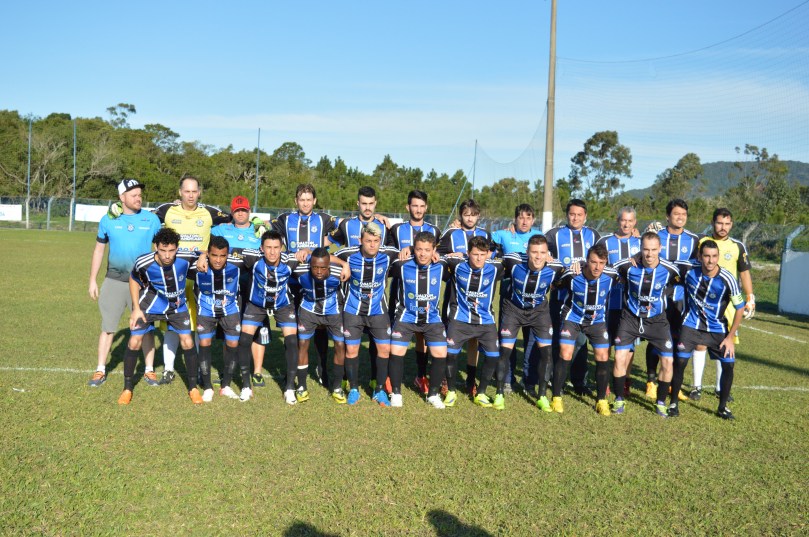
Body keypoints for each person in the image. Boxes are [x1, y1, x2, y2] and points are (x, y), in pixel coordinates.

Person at [152, 175, 231, 385]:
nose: (190, 195)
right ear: (180, 192)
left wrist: (258, 222)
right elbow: (145, 216)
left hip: (198, 276)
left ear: (199, 192)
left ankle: (194, 367)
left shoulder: (209, 212)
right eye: (187, 191)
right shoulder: (167, 210)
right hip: (172, 276)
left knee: (198, 323)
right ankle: (168, 370)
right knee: (170, 324)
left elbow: (234, 218)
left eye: (194, 191)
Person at [88, 179, 161, 388]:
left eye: (140, 194)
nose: (138, 198)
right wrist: (92, 279)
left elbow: (160, 251)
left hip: (143, 284)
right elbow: (98, 250)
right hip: (114, 280)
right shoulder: (108, 219)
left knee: (146, 328)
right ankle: (100, 369)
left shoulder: (152, 220)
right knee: (108, 327)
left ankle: (149, 370)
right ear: (122, 198)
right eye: (133, 195)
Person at [119, 228, 201, 405]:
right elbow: (134, 279)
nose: (167, 255)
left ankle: (193, 388)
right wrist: (136, 308)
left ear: (177, 248)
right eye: (163, 250)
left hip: (176, 306)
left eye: (171, 251)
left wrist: (202, 256)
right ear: (156, 247)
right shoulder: (144, 261)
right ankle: (127, 388)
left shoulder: (185, 258)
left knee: (187, 341)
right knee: (134, 341)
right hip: (150, 304)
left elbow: (203, 253)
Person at [271, 183, 336, 388]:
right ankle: (292, 370)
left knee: (320, 328)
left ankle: (322, 367)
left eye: (309, 199)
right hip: (292, 281)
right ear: (296, 201)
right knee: (293, 329)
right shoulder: (284, 219)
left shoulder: (324, 219)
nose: (305, 203)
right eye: (302, 199)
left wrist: (379, 218)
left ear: (314, 201)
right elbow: (272, 240)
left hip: (316, 280)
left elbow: (345, 229)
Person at [672, 240, 746, 419]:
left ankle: (722, 407)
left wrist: (730, 337)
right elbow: (664, 263)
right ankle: (673, 403)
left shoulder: (728, 278)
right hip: (691, 326)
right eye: (706, 256)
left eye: (714, 256)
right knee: (680, 362)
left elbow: (740, 308)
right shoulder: (689, 270)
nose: (710, 261)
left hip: (717, 329)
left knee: (729, 364)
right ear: (700, 257)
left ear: (718, 257)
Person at [611, 232, 681, 417]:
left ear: (660, 249)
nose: (649, 254)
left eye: (653, 250)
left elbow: (692, 273)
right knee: (619, 357)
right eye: (645, 250)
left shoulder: (670, 269)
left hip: (657, 320)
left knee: (668, 361)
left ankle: (660, 402)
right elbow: (604, 267)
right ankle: (619, 399)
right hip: (630, 318)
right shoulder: (628, 265)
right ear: (640, 249)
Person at [228, 230, 302, 403]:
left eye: (276, 247)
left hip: (283, 305)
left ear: (282, 248)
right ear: (261, 248)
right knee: (244, 340)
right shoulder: (252, 257)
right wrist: (203, 256)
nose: (272, 252)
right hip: (256, 305)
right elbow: (223, 249)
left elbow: (318, 256)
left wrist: (305, 251)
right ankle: (246, 386)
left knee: (292, 342)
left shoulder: (291, 259)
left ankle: (290, 388)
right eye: (268, 247)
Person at [690, 207, 755, 401]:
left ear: (732, 225)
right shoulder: (701, 242)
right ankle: (696, 387)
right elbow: (693, 267)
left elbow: (744, 273)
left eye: (727, 224)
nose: (723, 227)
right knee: (700, 343)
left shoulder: (738, 246)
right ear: (712, 223)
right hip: (702, 302)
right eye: (719, 223)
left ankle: (720, 388)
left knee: (725, 344)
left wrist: (750, 296)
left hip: (727, 306)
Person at [327, 186, 389, 389]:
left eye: (371, 204)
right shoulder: (346, 225)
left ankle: (376, 379)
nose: (368, 207)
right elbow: (327, 242)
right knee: (351, 345)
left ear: (376, 204)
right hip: (352, 296)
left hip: (377, 298)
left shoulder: (383, 225)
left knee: (376, 342)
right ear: (358, 204)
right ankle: (348, 379)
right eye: (364, 203)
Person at [336, 223, 400, 406]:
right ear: (360, 240)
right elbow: (325, 256)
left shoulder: (388, 254)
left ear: (380, 241)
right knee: (352, 350)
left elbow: (410, 251)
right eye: (368, 241)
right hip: (353, 311)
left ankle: (379, 390)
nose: (372, 245)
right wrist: (343, 264)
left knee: (384, 349)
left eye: (376, 241)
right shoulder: (348, 254)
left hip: (378, 311)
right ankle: (354, 388)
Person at [498, 235, 564, 412]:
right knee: (505, 351)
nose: (538, 257)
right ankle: (499, 393)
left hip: (539, 312)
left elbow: (572, 273)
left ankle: (542, 395)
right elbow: (493, 255)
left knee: (547, 354)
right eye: (534, 252)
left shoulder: (556, 266)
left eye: (542, 252)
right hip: (514, 309)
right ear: (527, 252)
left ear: (547, 253)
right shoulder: (513, 260)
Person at [548, 243, 616, 414]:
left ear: (606, 262)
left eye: (601, 263)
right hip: (573, 317)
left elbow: (629, 268)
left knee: (602, 356)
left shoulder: (612, 275)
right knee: (565, 353)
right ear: (586, 261)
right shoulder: (573, 274)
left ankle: (601, 400)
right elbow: (554, 283)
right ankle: (556, 397)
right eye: (593, 262)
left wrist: (636, 258)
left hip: (597, 321)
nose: (597, 267)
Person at [386, 190, 441, 395]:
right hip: (401, 289)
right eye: (414, 206)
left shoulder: (434, 229)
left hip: (426, 290)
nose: (418, 209)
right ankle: (391, 378)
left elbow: (440, 253)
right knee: (397, 329)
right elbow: (390, 251)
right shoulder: (397, 229)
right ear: (407, 207)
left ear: (426, 208)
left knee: (423, 336)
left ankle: (421, 376)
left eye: (422, 206)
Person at [545, 199, 601, 397]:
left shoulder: (593, 235)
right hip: (559, 295)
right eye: (572, 214)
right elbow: (539, 249)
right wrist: (547, 258)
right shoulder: (554, 234)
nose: (575, 217)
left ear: (585, 216)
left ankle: (579, 382)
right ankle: (552, 378)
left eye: (579, 214)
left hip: (584, 299)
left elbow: (602, 258)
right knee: (557, 339)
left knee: (580, 340)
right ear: (567, 215)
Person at [644, 198, 699, 400]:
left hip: (681, 298)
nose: (680, 218)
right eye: (676, 214)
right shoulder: (656, 237)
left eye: (684, 215)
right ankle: (651, 382)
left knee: (678, 339)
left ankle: (669, 383)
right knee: (655, 337)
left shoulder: (694, 240)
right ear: (668, 216)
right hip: (658, 297)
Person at [389, 232, 451, 409]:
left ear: (434, 251)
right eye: (418, 249)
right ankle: (396, 393)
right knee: (396, 351)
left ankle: (433, 394)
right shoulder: (401, 265)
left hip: (432, 319)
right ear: (413, 249)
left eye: (427, 250)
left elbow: (464, 261)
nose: (422, 254)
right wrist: (405, 249)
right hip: (406, 317)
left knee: (440, 353)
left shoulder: (442, 265)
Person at [211, 195, 267, 386]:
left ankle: (257, 372)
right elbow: (203, 228)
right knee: (229, 330)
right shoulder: (221, 229)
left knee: (258, 329)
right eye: (237, 210)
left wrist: (262, 225)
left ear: (249, 211)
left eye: (244, 210)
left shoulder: (259, 231)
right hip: (229, 290)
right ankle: (228, 370)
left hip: (255, 288)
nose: (241, 213)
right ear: (232, 212)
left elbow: (276, 243)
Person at [437, 199, 492, 395]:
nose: (470, 218)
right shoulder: (451, 233)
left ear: (478, 215)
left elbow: (493, 253)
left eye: (473, 214)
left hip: (479, 295)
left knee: (474, 341)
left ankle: (470, 379)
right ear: (461, 215)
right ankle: (445, 378)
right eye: (466, 214)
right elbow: (436, 254)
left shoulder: (485, 234)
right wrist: (451, 255)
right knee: (450, 337)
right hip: (456, 295)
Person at [444, 237, 506, 409]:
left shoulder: (496, 268)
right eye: (475, 254)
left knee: (493, 356)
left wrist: (547, 258)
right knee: (450, 354)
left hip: (486, 321)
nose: (479, 258)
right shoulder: (456, 265)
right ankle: (451, 391)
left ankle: (481, 393)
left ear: (488, 254)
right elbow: (435, 255)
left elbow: (518, 260)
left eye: (482, 254)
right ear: (468, 254)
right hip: (460, 320)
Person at [491, 203, 543, 395]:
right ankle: (507, 379)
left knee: (532, 341)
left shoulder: (539, 237)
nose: (524, 221)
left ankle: (529, 381)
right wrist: (456, 225)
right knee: (507, 339)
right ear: (514, 219)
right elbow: (480, 239)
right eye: (521, 217)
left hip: (534, 297)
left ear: (533, 220)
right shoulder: (504, 235)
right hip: (510, 295)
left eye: (528, 217)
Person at [293, 248, 351, 404]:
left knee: (340, 344)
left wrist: (345, 263)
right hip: (308, 310)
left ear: (329, 266)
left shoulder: (339, 273)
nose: (318, 271)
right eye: (315, 267)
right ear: (309, 264)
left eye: (323, 267)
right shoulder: (299, 270)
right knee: (303, 344)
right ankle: (302, 387)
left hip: (332, 311)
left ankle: (337, 387)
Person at [595, 206, 641, 397]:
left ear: (635, 223)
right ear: (617, 220)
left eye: (630, 221)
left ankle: (625, 382)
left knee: (628, 346)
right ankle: (604, 382)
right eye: (623, 220)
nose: (626, 224)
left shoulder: (640, 242)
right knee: (605, 343)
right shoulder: (605, 241)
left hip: (632, 302)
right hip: (608, 300)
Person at [193, 235, 242, 403]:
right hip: (206, 311)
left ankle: (226, 385)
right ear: (208, 254)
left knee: (233, 345)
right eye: (214, 255)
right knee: (205, 344)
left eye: (223, 255)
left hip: (230, 310)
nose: (218, 260)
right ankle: (207, 387)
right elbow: (182, 252)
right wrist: (201, 255)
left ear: (228, 254)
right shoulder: (197, 266)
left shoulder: (237, 266)